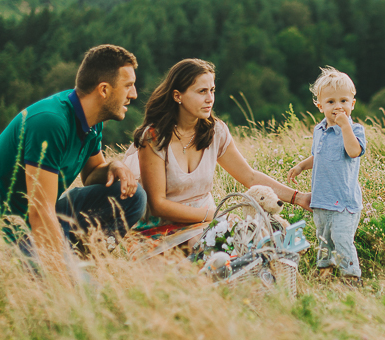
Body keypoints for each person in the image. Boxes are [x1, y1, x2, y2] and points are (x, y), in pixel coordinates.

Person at [0, 44, 146, 275]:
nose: (134, 94)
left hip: (43, 218)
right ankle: (69, 268)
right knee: (84, 292)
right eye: (128, 86)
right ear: (104, 90)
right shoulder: (50, 122)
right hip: (2, 234)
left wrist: (115, 165)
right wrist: (64, 277)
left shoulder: (92, 118)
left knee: (134, 197)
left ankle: (84, 260)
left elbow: (91, 174)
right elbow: (39, 212)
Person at [125, 58, 310, 241]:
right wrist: (215, 215)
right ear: (177, 96)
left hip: (205, 224)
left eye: (212, 90)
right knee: (206, 252)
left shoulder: (215, 131)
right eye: (202, 91)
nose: (210, 99)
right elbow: (159, 205)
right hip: (160, 228)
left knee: (258, 240)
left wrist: (299, 198)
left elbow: (250, 177)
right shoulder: (153, 138)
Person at [288, 66, 366, 284]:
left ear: (352, 103)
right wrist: (303, 166)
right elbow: (319, 156)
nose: (338, 106)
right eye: (331, 102)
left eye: (343, 101)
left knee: (341, 239)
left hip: (344, 201)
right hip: (322, 198)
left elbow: (353, 152)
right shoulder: (319, 130)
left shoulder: (355, 130)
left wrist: (345, 127)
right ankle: (325, 270)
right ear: (320, 105)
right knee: (324, 238)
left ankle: (351, 276)